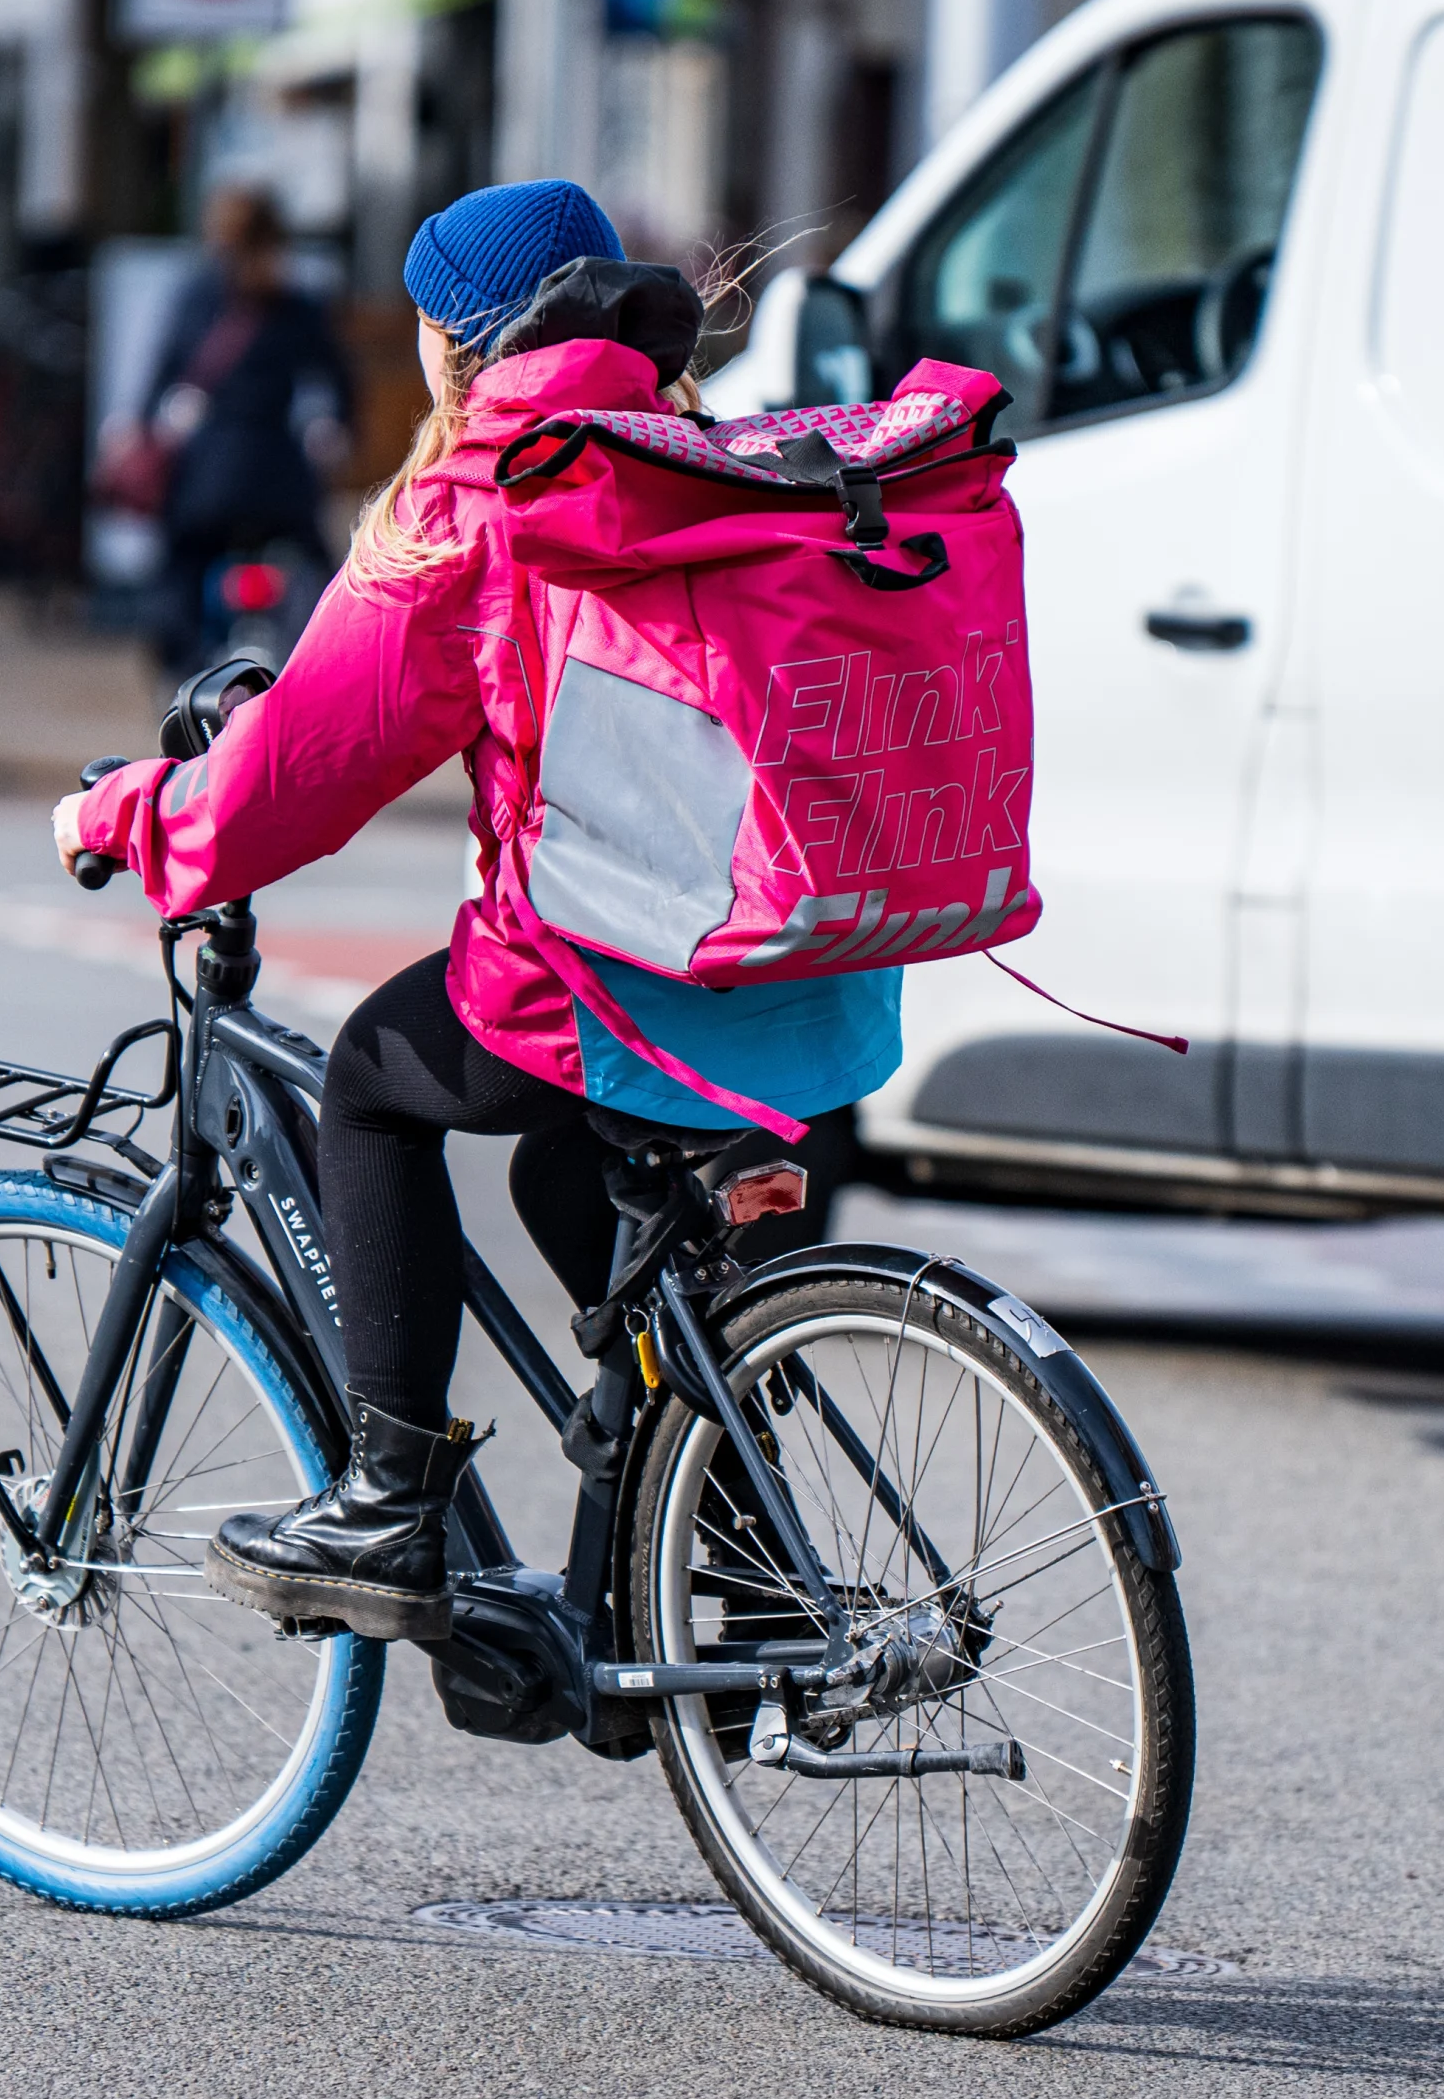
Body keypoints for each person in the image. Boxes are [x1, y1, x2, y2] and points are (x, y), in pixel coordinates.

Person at [55, 180, 903, 1644]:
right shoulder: (704, 452)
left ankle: (387, 1507)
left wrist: (131, 812)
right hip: (807, 968)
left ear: (455, 348)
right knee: (565, 1187)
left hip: (628, 983)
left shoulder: (493, 492)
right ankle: (755, 1571)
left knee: (376, 1082)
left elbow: (294, 777)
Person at [134, 182, 354, 680]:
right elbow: (341, 381)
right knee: (318, 570)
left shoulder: (197, 297)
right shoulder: (299, 305)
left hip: (207, 480)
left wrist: (142, 429)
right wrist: (338, 433)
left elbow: (159, 376)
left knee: (179, 565)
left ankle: (182, 676)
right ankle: (312, 676)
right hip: (280, 478)